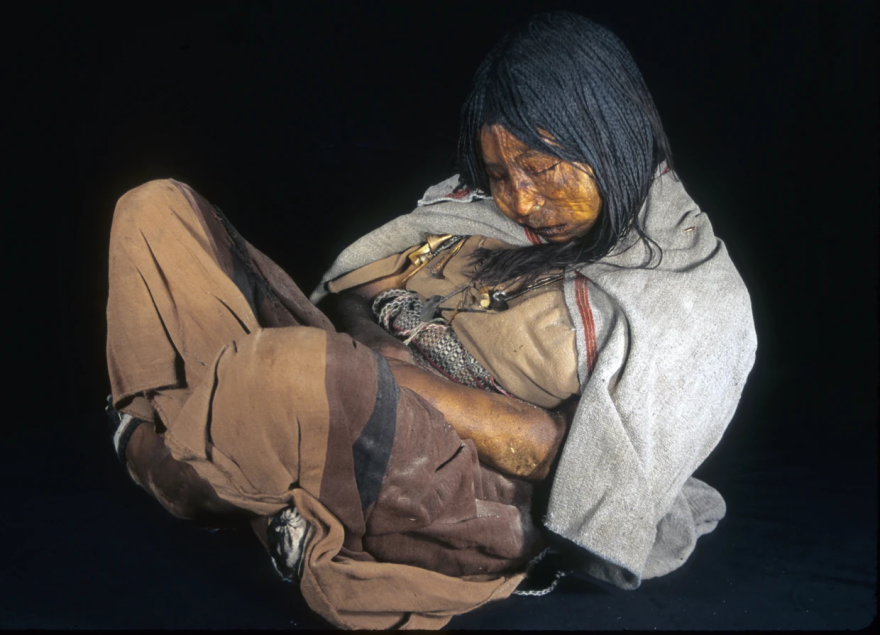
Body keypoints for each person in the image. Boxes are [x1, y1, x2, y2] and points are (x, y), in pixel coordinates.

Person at [105, 11, 756, 631]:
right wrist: (380, 350)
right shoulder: (483, 211)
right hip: (351, 378)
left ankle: (181, 463)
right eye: (499, 174)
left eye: (540, 168)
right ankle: (262, 466)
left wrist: (400, 381)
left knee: (286, 369)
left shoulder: (690, 295)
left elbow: (564, 463)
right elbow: (353, 293)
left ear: (609, 137)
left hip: (454, 478)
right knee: (156, 211)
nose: (520, 199)